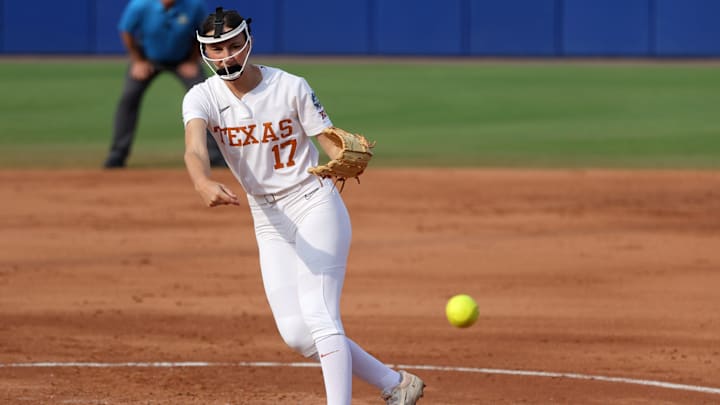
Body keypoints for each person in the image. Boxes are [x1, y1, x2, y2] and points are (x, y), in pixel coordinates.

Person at [181, 7, 425, 405]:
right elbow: (194, 147)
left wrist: (341, 153)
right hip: (266, 216)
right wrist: (201, 180)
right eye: (217, 48)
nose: (227, 56)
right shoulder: (201, 97)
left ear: (248, 42)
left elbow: (327, 140)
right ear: (205, 52)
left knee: (318, 312)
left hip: (313, 201)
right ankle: (395, 383)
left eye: (233, 45)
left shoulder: (290, 86)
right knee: (297, 333)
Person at [104, 0, 224, 168]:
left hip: (183, 59)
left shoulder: (193, 5)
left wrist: (192, 60)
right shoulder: (140, 5)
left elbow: (203, 33)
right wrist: (138, 60)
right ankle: (117, 154)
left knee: (208, 99)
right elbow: (126, 30)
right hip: (148, 59)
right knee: (129, 98)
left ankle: (216, 155)